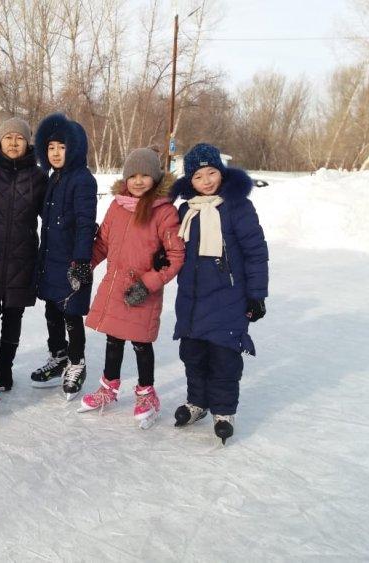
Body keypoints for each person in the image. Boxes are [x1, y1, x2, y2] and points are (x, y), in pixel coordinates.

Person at [170, 143, 269, 443]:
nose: (207, 180)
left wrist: (257, 295)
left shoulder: (237, 206)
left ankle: (224, 411)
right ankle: (197, 402)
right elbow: (175, 247)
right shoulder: (186, 210)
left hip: (229, 297)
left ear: (222, 172)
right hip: (191, 298)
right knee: (193, 354)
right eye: (198, 176)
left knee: (224, 357)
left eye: (212, 172)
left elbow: (255, 252)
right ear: (190, 180)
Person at [81, 148, 185, 428]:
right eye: (133, 175)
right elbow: (102, 243)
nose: (138, 181)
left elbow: (175, 256)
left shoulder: (164, 211)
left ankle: (147, 393)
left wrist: (147, 284)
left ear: (155, 178)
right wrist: (86, 265)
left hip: (142, 291)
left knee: (141, 343)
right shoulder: (117, 206)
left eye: (145, 175)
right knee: (113, 340)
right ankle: (109, 388)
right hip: (116, 286)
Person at [31, 113, 97, 400]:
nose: (56, 153)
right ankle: (58, 356)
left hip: (71, 261)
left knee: (71, 313)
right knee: (52, 310)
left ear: (74, 148)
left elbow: (85, 224)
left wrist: (81, 261)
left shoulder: (82, 180)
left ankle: (77, 362)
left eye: (62, 147)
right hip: (50, 257)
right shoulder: (54, 178)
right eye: (51, 147)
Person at [0, 117, 48, 391]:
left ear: (28, 143)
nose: (13, 143)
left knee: (13, 315)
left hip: (23, 257)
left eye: (19, 138)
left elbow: (51, 214)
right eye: (8, 137)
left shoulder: (38, 177)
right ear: (0, 141)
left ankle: (5, 367)